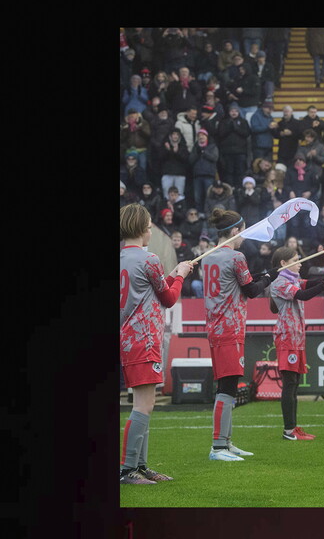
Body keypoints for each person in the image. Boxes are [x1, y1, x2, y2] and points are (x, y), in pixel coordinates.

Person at [120, 204, 194, 484]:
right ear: (140, 228)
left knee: (144, 402)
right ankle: (129, 470)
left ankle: (139, 465)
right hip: (145, 338)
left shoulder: (123, 259)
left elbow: (151, 288)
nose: (151, 231)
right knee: (144, 404)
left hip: (128, 338)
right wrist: (181, 275)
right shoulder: (148, 258)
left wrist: (173, 273)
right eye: (149, 226)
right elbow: (168, 298)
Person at [202, 208, 276, 461]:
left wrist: (262, 276)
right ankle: (218, 447)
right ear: (234, 231)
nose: (243, 235)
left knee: (228, 385)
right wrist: (269, 278)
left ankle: (226, 442)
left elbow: (236, 283)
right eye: (241, 230)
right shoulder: (236, 256)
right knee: (227, 387)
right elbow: (251, 290)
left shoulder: (209, 256)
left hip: (216, 327)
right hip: (229, 328)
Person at [268, 246, 324, 440]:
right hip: (287, 336)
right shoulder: (280, 283)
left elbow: (309, 284)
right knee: (289, 383)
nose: (301, 263)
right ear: (284, 263)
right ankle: (288, 430)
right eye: (297, 260)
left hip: (296, 337)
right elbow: (303, 295)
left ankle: (293, 427)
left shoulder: (293, 280)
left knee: (295, 383)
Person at [190, 129, 219, 212]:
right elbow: (191, 160)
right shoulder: (195, 147)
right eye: (199, 136)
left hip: (209, 175)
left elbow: (215, 158)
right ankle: (199, 213)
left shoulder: (212, 146)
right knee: (197, 197)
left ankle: (209, 213)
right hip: (197, 175)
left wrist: (204, 152)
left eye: (203, 135)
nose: (201, 137)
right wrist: (198, 153)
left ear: (207, 137)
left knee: (209, 196)